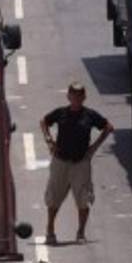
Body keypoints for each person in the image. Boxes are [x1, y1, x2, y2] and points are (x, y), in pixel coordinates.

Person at [41, 82, 113, 245]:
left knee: (83, 199)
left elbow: (108, 127)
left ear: (84, 97)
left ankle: (80, 233)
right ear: (68, 96)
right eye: (73, 95)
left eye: (80, 95)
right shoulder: (61, 113)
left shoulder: (89, 115)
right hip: (61, 161)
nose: (76, 98)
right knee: (54, 198)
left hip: (80, 163)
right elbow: (44, 121)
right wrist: (49, 141)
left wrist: (93, 148)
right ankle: (50, 230)